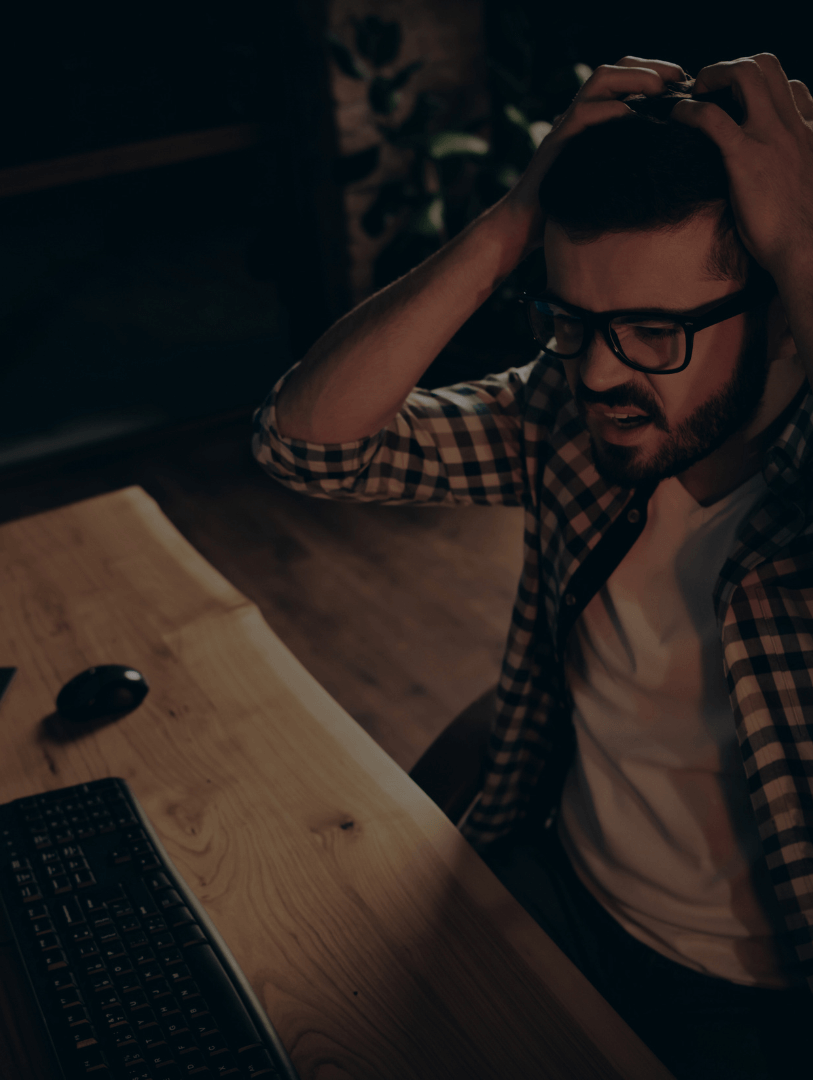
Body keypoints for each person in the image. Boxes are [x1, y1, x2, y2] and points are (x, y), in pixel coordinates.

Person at [252, 54, 813, 1079]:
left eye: (654, 332)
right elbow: (308, 444)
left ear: (781, 315)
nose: (601, 372)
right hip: (556, 880)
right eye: (575, 322)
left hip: (760, 1003)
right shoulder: (569, 412)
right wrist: (516, 219)